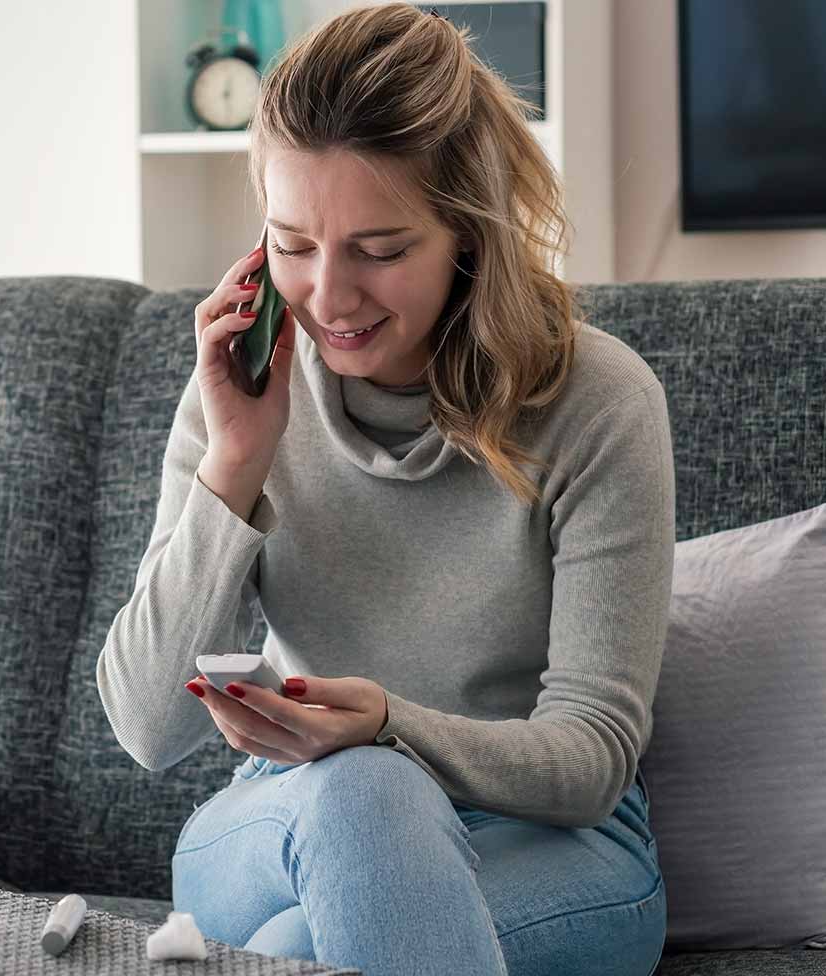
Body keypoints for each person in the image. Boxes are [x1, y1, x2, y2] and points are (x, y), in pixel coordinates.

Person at [95, 4, 672, 975]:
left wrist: (389, 726)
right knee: (355, 795)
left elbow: (591, 758)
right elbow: (147, 726)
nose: (328, 295)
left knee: (300, 935)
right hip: (282, 819)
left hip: (548, 846)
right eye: (292, 243)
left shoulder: (599, 403)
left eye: (380, 248)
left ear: (467, 233)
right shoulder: (239, 394)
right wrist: (234, 461)